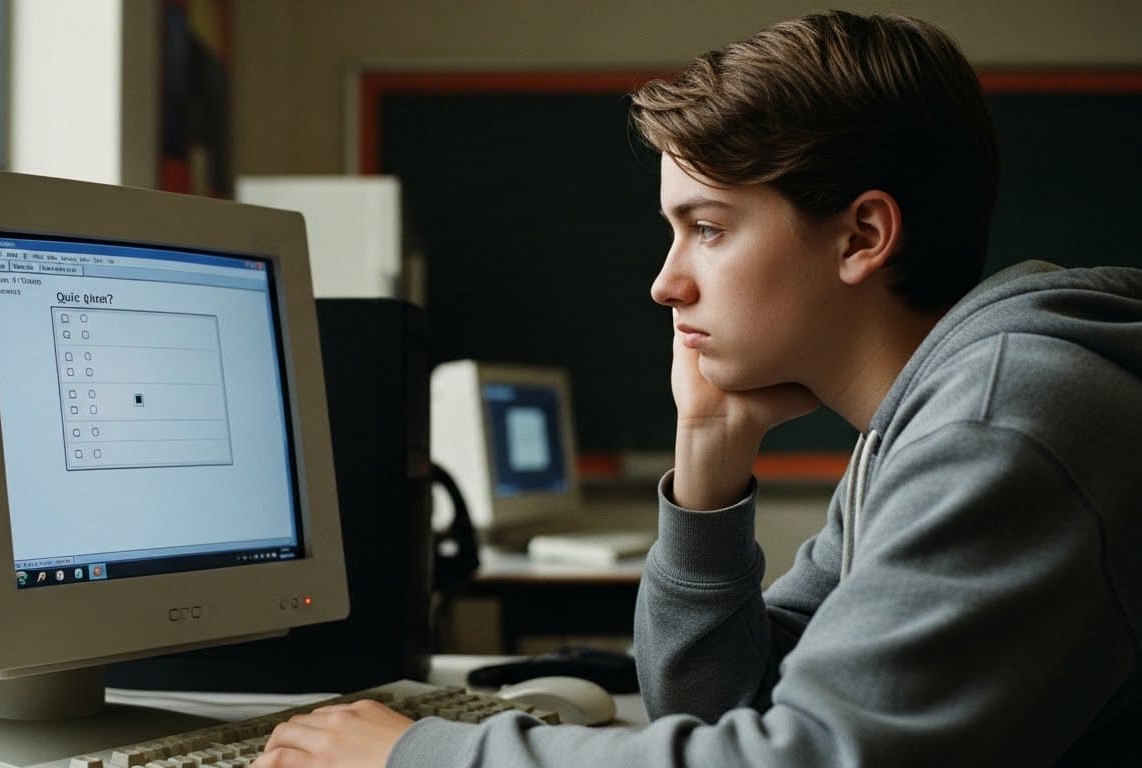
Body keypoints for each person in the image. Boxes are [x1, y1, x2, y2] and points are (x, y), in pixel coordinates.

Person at [253, 10, 1142, 767]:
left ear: (860, 236)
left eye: (708, 229)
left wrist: (420, 753)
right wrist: (710, 448)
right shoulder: (919, 422)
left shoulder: (1004, 420)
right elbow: (717, 709)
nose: (665, 283)